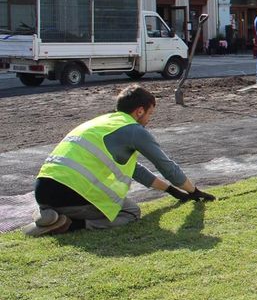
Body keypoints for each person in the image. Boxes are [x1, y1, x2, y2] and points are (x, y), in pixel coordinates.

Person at [24, 85, 214, 237]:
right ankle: (70, 224)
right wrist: (193, 191)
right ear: (139, 111)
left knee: (115, 203)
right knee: (130, 211)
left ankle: (48, 213)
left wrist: (171, 191)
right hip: (72, 193)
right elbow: (166, 166)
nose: (149, 120)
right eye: (150, 114)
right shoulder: (134, 130)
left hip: (42, 189)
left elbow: (134, 170)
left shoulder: (103, 121)